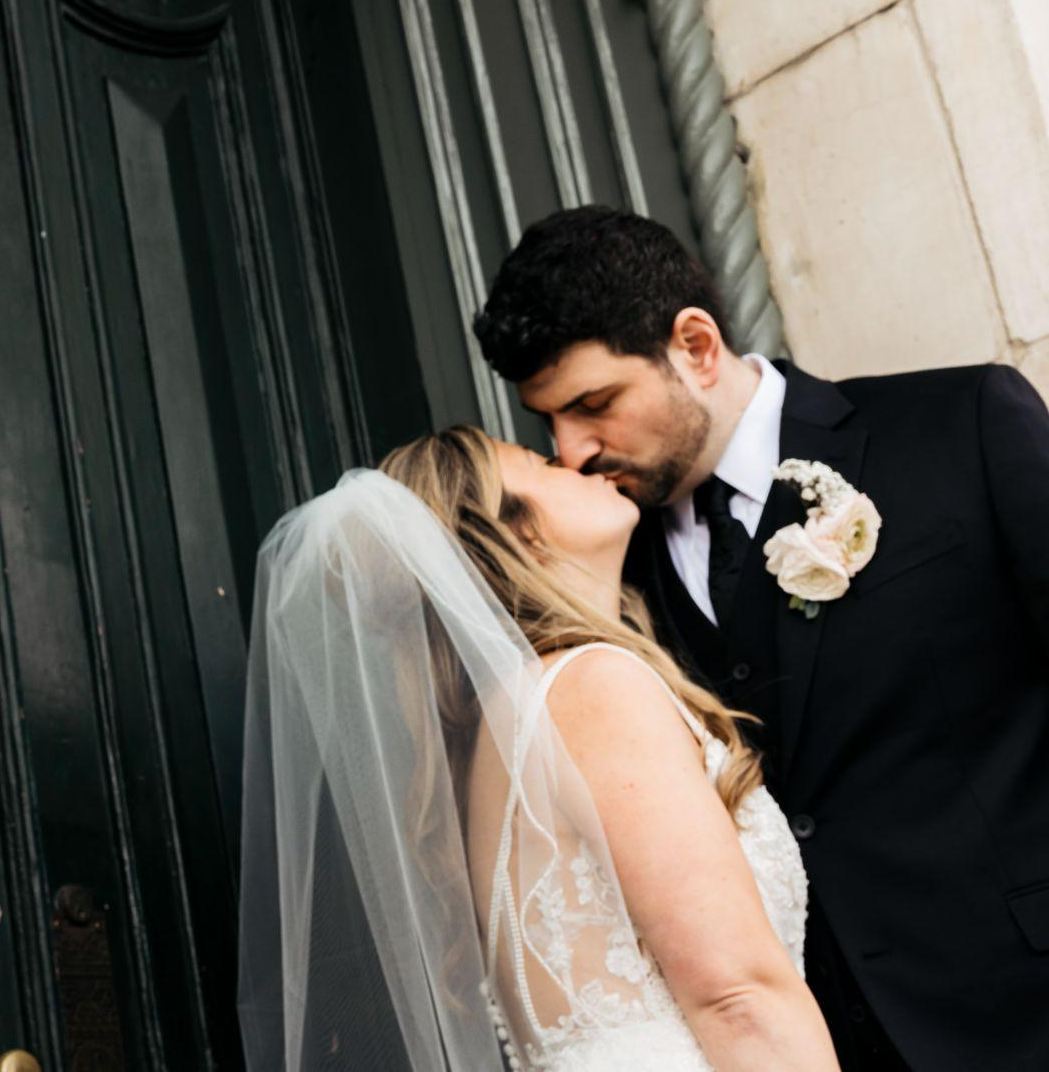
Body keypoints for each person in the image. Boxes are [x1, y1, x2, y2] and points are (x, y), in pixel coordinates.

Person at [474, 204, 1049, 1070]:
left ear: (695, 345)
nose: (573, 449)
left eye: (593, 404)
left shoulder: (960, 428)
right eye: (549, 424)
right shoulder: (609, 572)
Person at [235, 427, 838, 1070]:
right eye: (545, 463)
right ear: (513, 531)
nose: (580, 460)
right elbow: (738, 997)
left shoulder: (489, 739)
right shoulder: (593, 687)